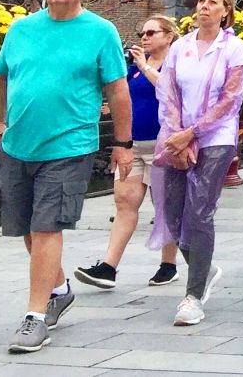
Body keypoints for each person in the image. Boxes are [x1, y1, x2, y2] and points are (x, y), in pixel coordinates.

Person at [0, 0, 132, 354]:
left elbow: (118, 90)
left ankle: (34, 318)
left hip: (69, 146)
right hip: (18, 146)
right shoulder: (21, 29)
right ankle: (59, 289)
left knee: (46, 227)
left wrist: (123, 144)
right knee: (26, 228)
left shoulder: (100, 31)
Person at [148, 0, 243, 327]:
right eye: (201, 0)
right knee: (172, 213)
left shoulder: (233, 48)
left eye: (212, 2)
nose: (204, 6)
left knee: (199, 211)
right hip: (177, 136)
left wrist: (193, 133)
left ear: (226, 10)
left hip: (215, 138)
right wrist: (176, 136)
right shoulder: (180, 47)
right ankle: (203, 268)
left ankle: (193, 296)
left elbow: (230, 99)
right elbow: (168, 92)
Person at [74, 15, 181, 290]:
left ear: (169, 36)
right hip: (133, 145)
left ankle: (168, 265)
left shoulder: (176, 63)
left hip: (163, 145)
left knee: (165, 207)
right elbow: (125, 94)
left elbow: (170, 91)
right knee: (124, 204)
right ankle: (108, 267)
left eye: (151, 33)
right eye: (143, 33)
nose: (144, 38)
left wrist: (145, 66)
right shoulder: (133, 67)